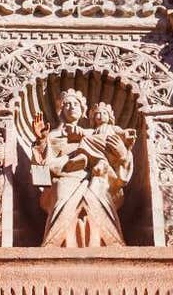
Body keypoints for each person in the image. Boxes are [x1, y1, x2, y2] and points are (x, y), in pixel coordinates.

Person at [30, 89, 134, 246]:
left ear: (83, 111)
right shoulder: (52, 136)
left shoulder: (94, 134)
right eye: (67, 105)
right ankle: (55, 244)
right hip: (65, 177)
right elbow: (41, 174)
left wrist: (122, 154)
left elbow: (119, 168)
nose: (72, 107)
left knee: (100, 196)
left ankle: (110, 243)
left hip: (95, 176)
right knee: (61, 199)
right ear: (61, 110)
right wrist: (41, 141)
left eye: (76, 104)